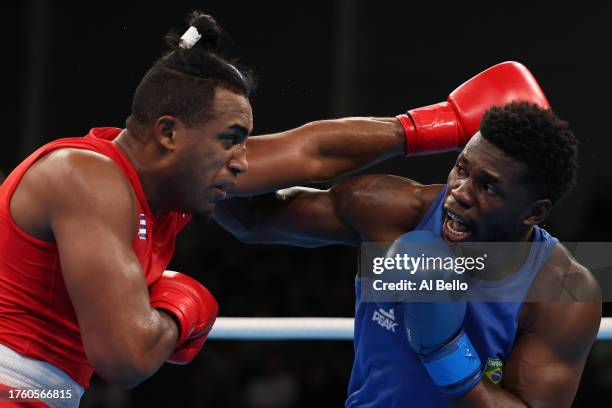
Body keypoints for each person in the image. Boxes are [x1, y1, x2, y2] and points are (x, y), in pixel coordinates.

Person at [0, 10, 535, 407]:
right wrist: (181, 307)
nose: (241, 162)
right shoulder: (86, 178)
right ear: (168, 133)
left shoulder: (177, 178)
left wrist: (447, 123)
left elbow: (312, 153)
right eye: (231, 140)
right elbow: (128, 358)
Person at [214, 101, 602, 406]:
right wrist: (413, 130)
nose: (461, 192)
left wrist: (445, 354)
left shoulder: (563, 292)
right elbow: (242, 211)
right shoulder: (393, 213)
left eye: (488, 187)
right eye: (462, 169)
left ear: (533, 212)